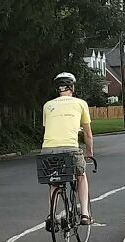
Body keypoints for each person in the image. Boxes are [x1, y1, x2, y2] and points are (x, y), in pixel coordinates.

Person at [41, 72, 94, 228]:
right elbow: (88, 133)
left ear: (58, 89)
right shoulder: (80, 103)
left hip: (48, 149)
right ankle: (85, 214)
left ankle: (52, 214)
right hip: (70, 148)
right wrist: (89, 152)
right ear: (72, 87)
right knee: (81, 175)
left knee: (54, 181)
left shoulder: (47, 105)